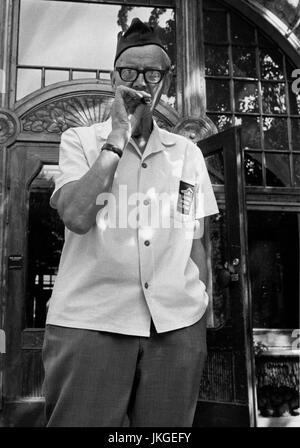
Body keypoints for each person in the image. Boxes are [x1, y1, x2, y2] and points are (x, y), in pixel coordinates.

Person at [42, 18, 219, 427]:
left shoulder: (186, 155)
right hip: (90, 323)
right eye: (129, 71)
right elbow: (76, 215)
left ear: (166, 81)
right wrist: (117, 137)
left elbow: (194, 236)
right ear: (113, 77)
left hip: (175, 329)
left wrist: (199, 315)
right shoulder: (79, 142)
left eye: (152, 72)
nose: (139, 81)